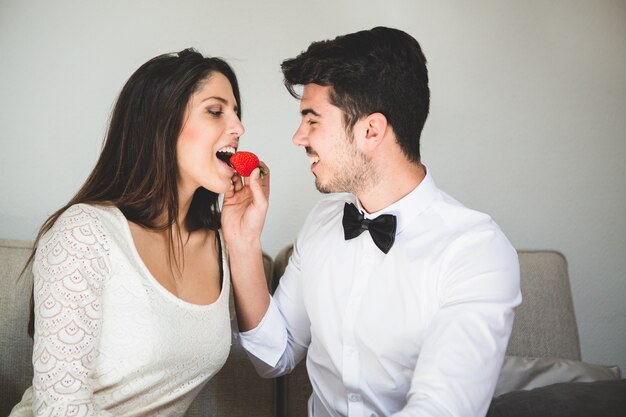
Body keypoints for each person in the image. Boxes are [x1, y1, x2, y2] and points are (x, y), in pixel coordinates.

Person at [223, 27, 522, 417]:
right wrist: (243, 240)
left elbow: (440, 410)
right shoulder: (321, 223)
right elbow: (274, 357)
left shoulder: (476, 251)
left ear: (371, 130)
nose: (298, 138)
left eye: (312, 120)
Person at [10, 48, 261, 416]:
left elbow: (274, 354)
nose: (238, 128)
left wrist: (246, 239)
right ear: (162, 123)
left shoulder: (219, 244)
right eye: (215, 111)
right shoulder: (84, 232)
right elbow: (60, 409)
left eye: (236, 112)